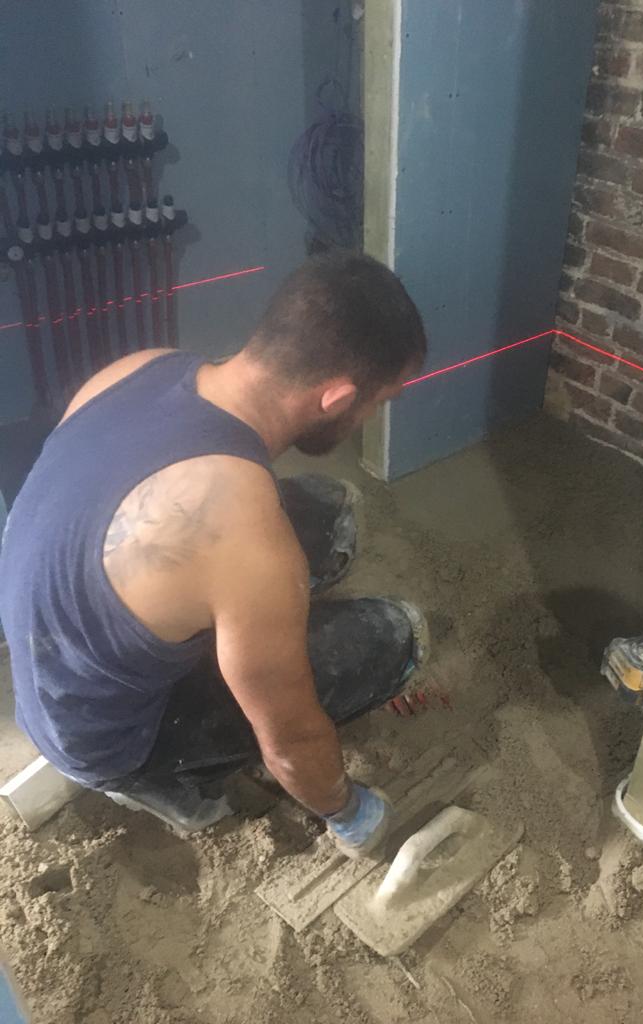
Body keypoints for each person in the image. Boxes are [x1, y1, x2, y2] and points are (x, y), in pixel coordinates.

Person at [0, 251, 428, 855]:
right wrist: (351, 812)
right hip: (110, 740)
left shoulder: (146, 367)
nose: (371, 416)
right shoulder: (247, 539)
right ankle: (165, 782)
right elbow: (291, 741)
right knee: (396, 634)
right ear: (336, 398)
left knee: (329, 511)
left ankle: (211, 625)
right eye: (378, 402)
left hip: (53, 666)